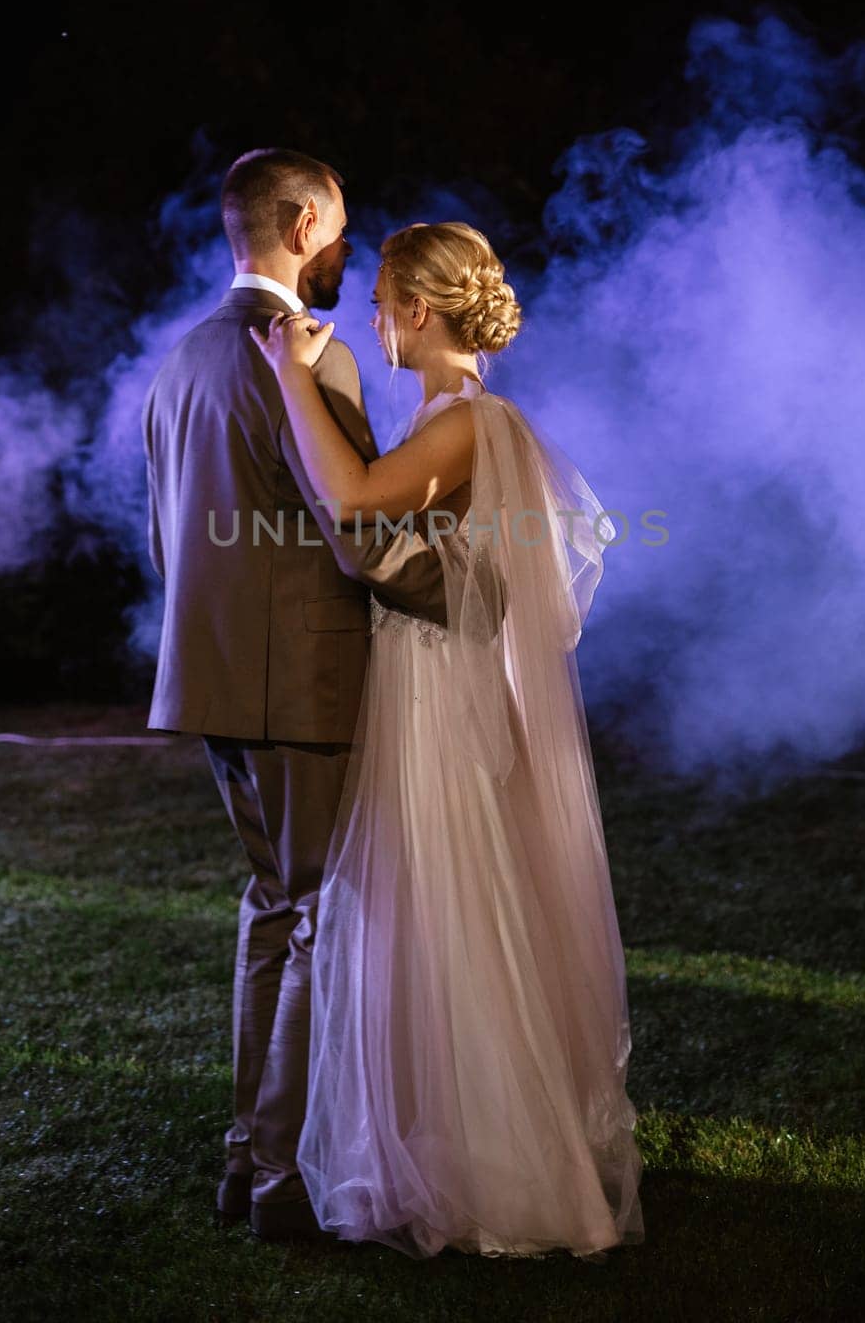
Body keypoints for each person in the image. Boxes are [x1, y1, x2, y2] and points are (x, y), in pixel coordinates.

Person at [249, 218, 645, 1261]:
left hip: (438, 701)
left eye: (381, 302)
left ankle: (507, 1176)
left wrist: (293, 377)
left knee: (452, 906)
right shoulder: (457, 418)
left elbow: (353, 500)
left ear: (418, 312)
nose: (372, 318)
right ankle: (442, 1142)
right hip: (428, 686)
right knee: (426, 914)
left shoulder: (469, 421)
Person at [141, 148, 449, 1242]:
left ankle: (246, 1166)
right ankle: (281, 1185)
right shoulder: (309, 358)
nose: (347, 254)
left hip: (212, 679)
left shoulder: (177, 360)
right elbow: (359, 537)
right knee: (316, 917)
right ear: (305, 219)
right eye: (343, 229)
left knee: (273, 911)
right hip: (299, 679)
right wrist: (474, 590)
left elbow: (169, 542)